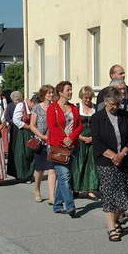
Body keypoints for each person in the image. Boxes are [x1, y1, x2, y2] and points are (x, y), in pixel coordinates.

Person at [91, 87, 128, 242]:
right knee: (110, 194)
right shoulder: (97, 118)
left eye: (117, 104)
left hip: (125, 160)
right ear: (105, 102)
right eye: (112, 104)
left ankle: (116, 219)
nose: (115, 107)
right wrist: (113, 156)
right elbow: (97, 142)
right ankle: (111, 229)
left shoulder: (125, 115)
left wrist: (122, 154)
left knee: (124, 194)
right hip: (105, 162)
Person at [47, 81, 83, 217]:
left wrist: (71, 137)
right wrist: (64, 139)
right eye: (68, 90)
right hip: (57, 147)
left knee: (65, 177)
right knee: (64, 176)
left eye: (71, 90)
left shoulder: (73, 108)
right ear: (61, 92)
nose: (71, 92)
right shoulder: (53, 108)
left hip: (73, 146)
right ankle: (70, 206)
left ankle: (57, 205)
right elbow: (52, 127)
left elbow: (80, 126)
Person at [72, 86, 99, 200]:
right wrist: (81, 137)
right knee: (79, 164)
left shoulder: (96, 108)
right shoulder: (76, 107)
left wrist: (93, 138)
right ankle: (76, 188)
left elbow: (99, 125)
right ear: (81, 97)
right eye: (85, 98)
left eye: (89, 98)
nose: (87, 100)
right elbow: (72, 126)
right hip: (79, 139)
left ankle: (91, 189)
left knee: (92, 165)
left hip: (93, 139)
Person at [30, 85, 56, 203]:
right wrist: (42, 136)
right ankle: (37, 189)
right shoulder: (37, 108)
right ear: (43, 95)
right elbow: (32, 125)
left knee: (52, 169)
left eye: (52, 92)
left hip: (52, 142)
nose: (51, 94)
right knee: (40, 169)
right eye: (49, 93)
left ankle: (52, 196)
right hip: (40, 142)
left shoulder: (55, 107)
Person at [12, 95, 35, 182]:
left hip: (32, 132)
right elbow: (16, 119)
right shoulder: (21, 105)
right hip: (23, 132)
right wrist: (28, 127)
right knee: (22, 154)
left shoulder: (33, 108)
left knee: (31, 154)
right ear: (31, 102)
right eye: (34, 105)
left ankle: (29, 175)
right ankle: (23, 175)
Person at [6, 91, 23, 178]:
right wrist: (14, 121)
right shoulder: (10, 106)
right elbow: (7, 118)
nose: (17, 101)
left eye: (18, 99)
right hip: (14, 129)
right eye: (15, 100)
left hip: (21, 129)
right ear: (12, 99)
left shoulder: (23, 105)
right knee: (13, 148)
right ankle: (13, 172)